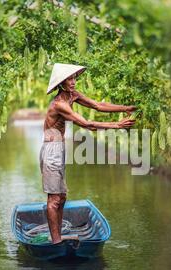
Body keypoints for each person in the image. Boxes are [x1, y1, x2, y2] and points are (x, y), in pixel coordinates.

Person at [40, 63, 136, 244]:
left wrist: (125, 108)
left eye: (74, 77)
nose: (73, 81)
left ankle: (58, 237)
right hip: (51, 150)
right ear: (61, 83)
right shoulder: (59, 104)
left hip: (59, 149)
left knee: (61, 197)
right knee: (54, 199)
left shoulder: (72, 96)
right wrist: (117, 126)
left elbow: (98, 105)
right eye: (69, 79)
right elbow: (86, 124)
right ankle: (56, 241)